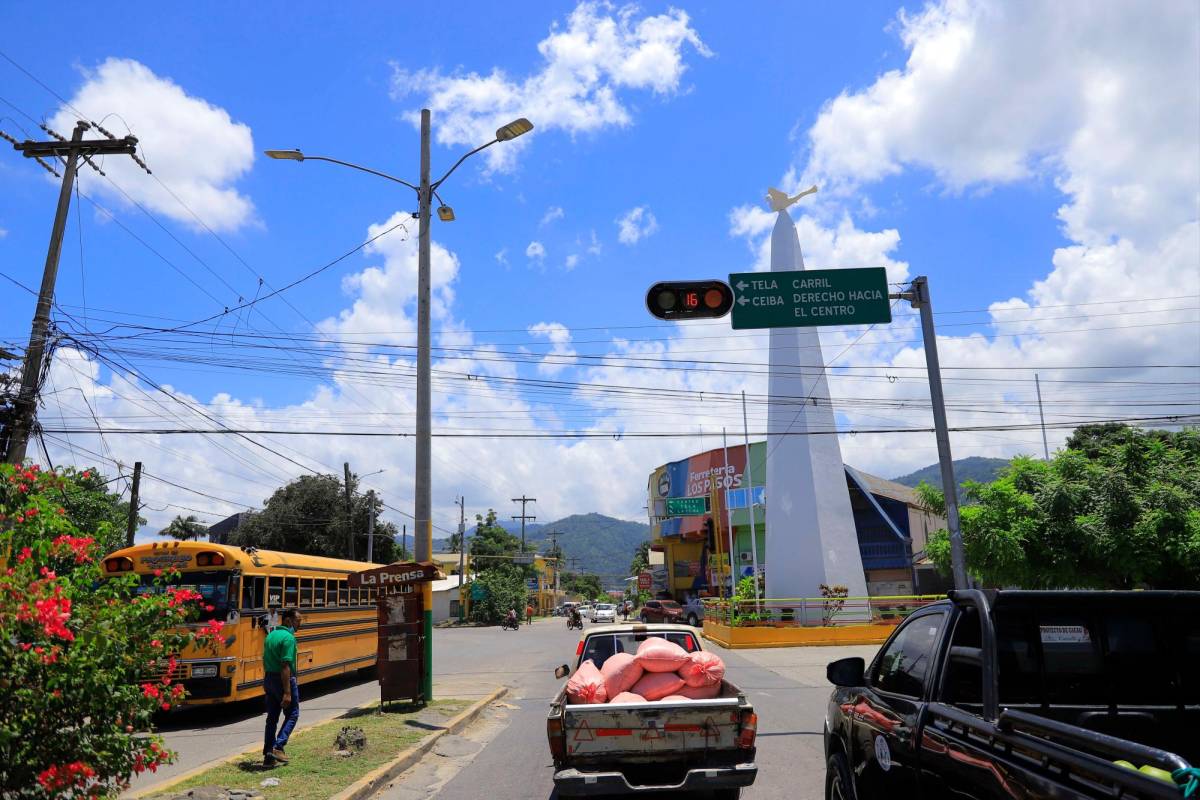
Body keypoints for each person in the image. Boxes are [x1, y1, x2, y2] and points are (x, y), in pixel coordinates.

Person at [262, 608, 302, 767]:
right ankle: (278, 746)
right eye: (298, 620)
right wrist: (287, 692)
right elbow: (285, 665)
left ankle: (268, 755)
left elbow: (265, 659)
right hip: (283, 680)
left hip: (269, 678)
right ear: (287, 620)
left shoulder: (270, 636)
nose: (299, 624)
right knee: (293, 713)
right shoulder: (288, 638)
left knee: (272, 718)